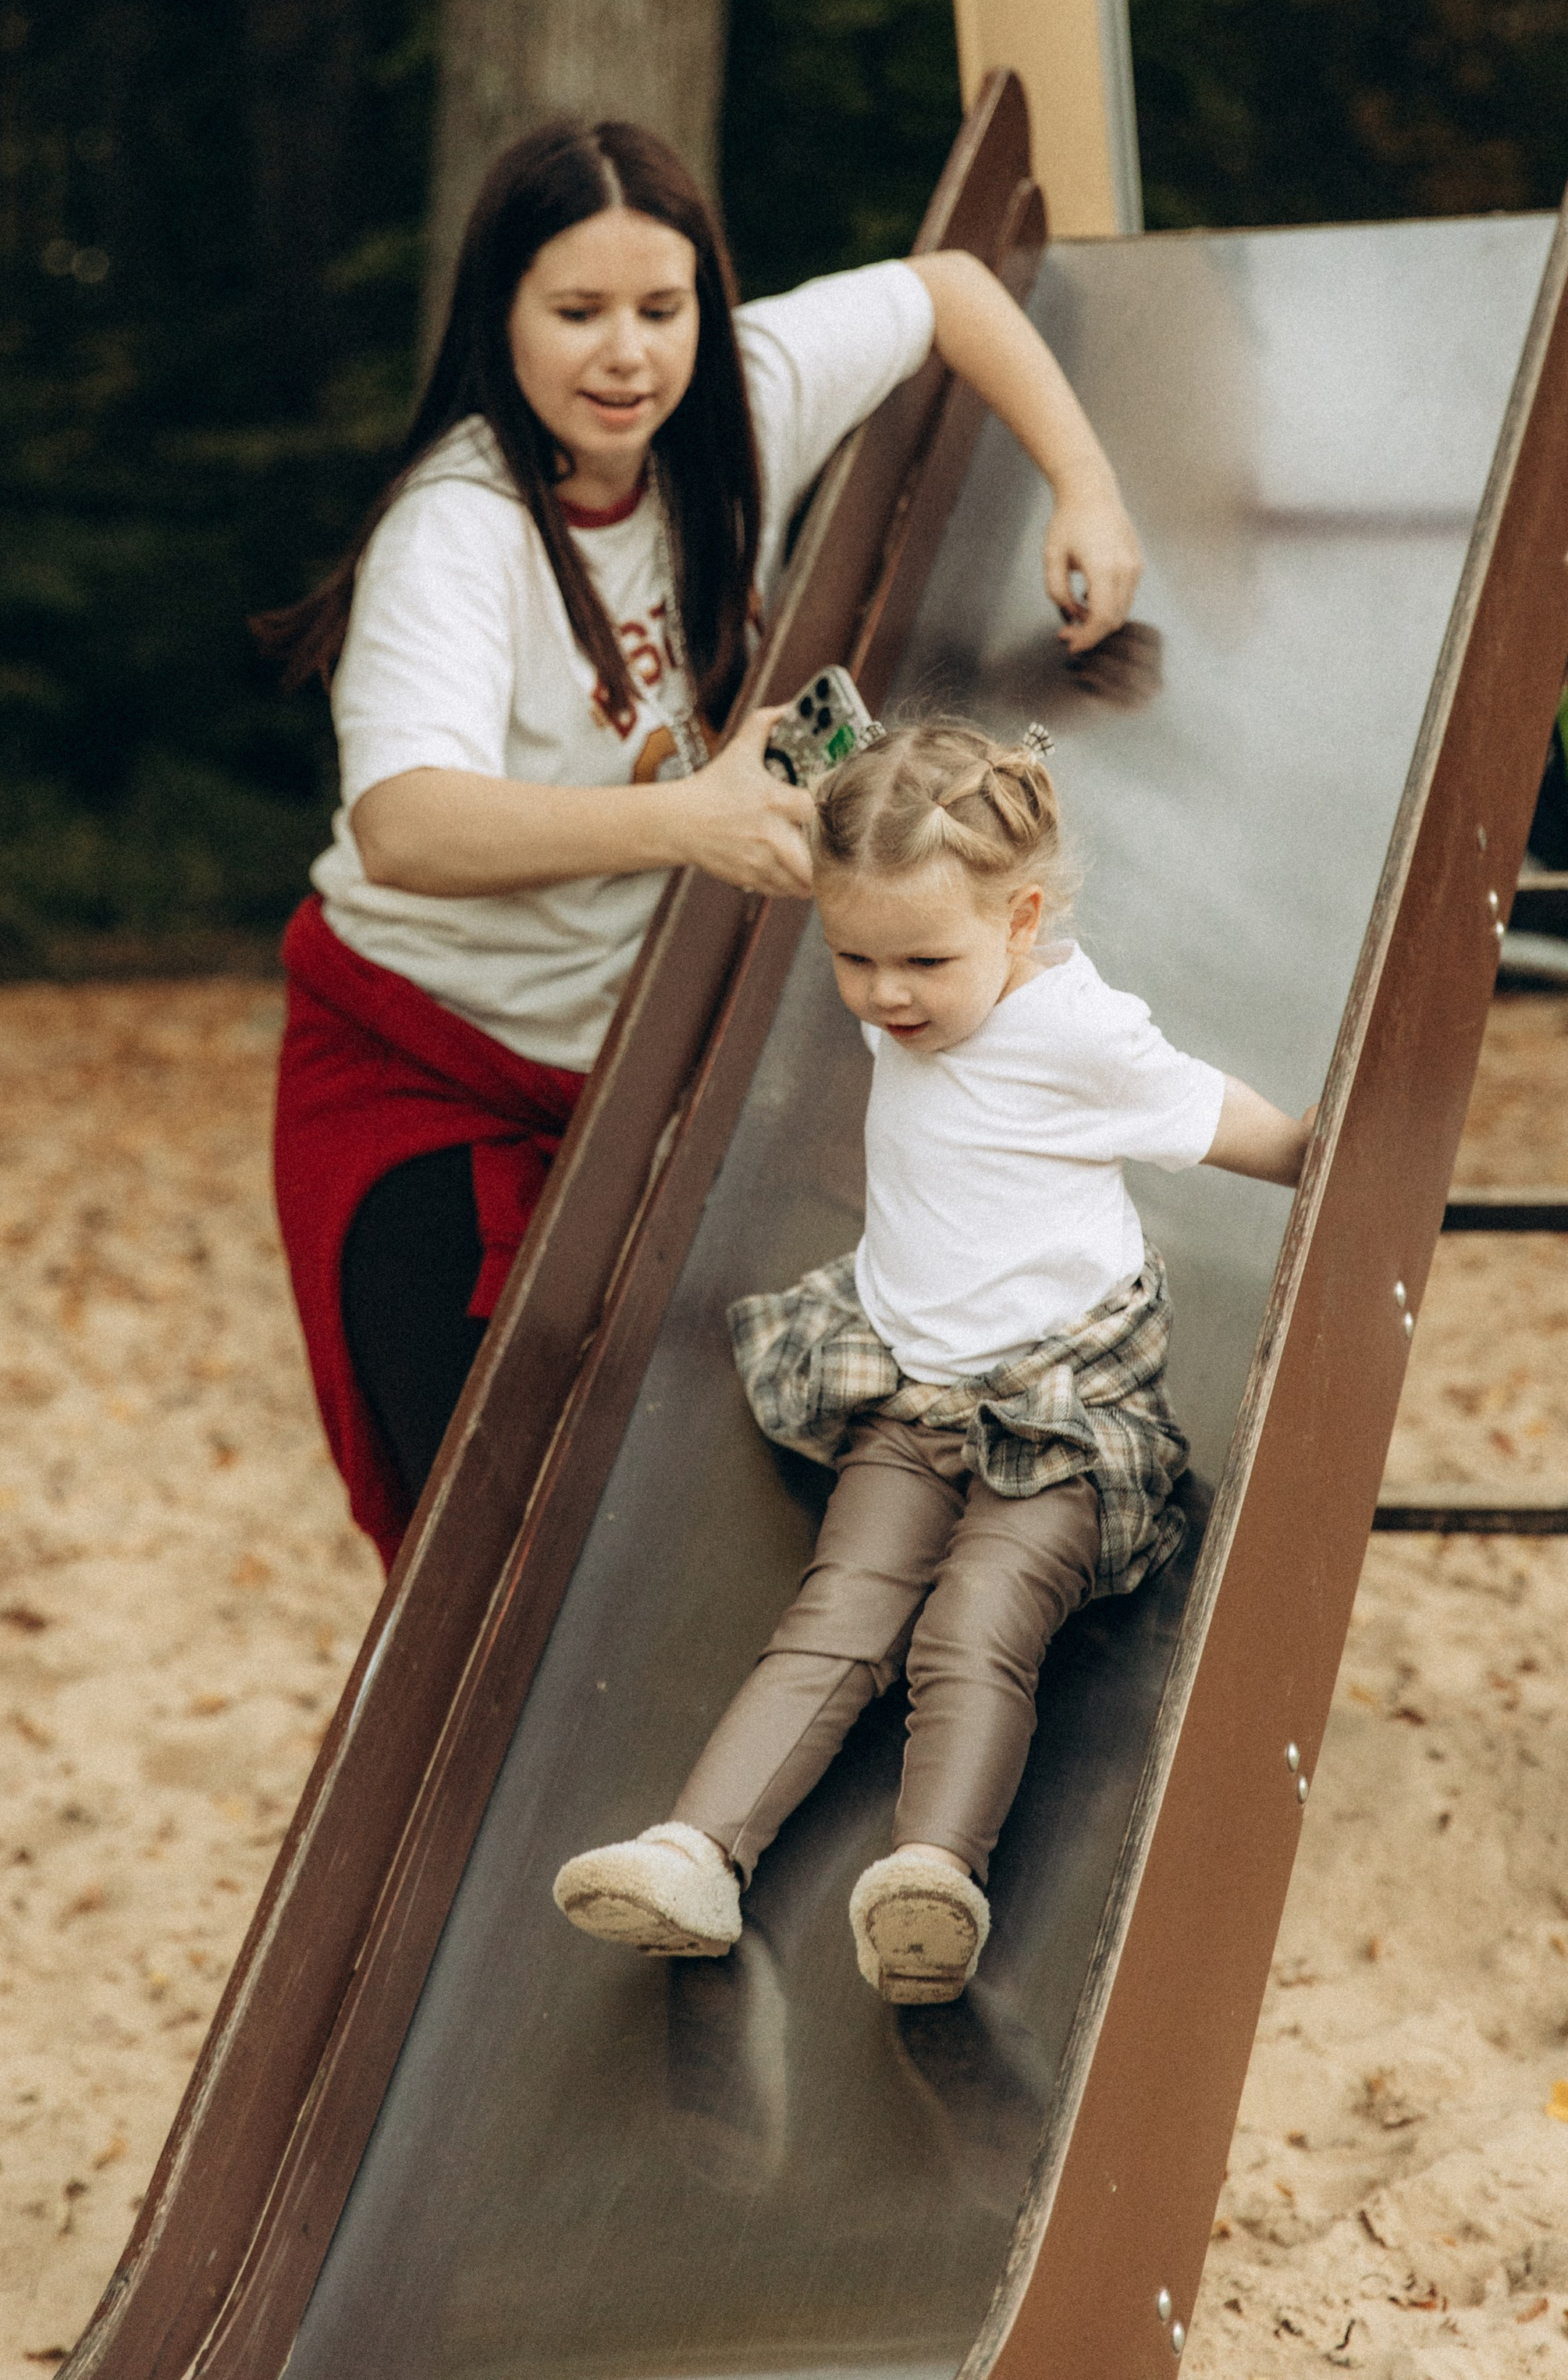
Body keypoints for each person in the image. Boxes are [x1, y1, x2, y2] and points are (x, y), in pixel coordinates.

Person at [256, 122, 1146, 1562]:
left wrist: (1085, 484)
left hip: (621, 1073)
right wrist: (692, 817)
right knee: (468, 1548)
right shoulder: (460, 531)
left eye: (660, 311)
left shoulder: (737, 401)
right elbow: (403, 826)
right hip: (423, 1070)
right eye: (577, 312)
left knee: (663, 1509)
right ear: (499, 317)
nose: (628, 356)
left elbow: (957, 291)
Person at [552, 720, 1314, 2005]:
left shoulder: (1082, 1036)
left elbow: (1219, 1115)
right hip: (910, 1383)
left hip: (1064, 1410)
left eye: (922, 962)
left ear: (1023, 924)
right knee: (839, 1607)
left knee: (972, 1620)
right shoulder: (910, 965)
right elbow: (885, 804)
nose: (887, 994)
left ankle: (931, 1879)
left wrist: (1320, 1153)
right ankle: (695, 1854)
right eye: (853, 958)